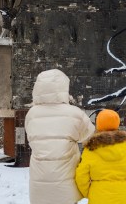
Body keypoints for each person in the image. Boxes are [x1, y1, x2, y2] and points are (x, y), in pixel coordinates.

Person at [25, 69, 95, 204]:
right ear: (63, 88)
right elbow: (90, 137)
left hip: (39, 186)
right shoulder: (74, 114)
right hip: (66, 185)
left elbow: (31, 137)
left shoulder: (31, 114)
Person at [75, 109, 126, 204]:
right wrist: (124, 189)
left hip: (97, 195)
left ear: (98, 124)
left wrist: (89, 193)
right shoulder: (124, 147)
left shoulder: (91, 148)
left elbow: (81, 175)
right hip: (120, 195)